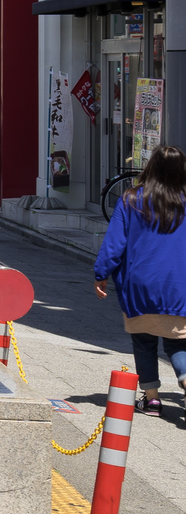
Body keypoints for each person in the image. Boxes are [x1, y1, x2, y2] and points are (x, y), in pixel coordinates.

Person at [93, 144, 186, 418]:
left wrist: (101, 274)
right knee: (178, 343)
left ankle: (152, 399)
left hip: (140, 283)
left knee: (144, 341)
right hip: (179, 285)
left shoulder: (131, 199)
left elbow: (114, 244)